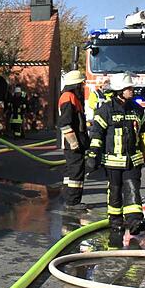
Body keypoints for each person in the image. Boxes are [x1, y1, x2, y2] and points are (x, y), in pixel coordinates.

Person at [85, 72, 145, 248]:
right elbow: (97, 135)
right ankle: (115, 223)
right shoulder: (105, 110)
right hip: (113, 161)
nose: (132, 90)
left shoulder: (137, 109)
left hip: (133, 160)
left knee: (133, 190)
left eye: (131, 87)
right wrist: (93, 156)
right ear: (119, 91)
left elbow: (144, 131)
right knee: (115, 192)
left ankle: (134, 222)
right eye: (128, 88)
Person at [57, 70, 88, 207]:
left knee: (71, 171)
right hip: (73, 144)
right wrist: (74, 143)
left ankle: (68, 198)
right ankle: (73, 202)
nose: (83, 86)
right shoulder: (68, 97)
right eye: (81, 84)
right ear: (76, 85)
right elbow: (64, 123)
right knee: (76, 171)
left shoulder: (70, 96)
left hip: (74, 142)